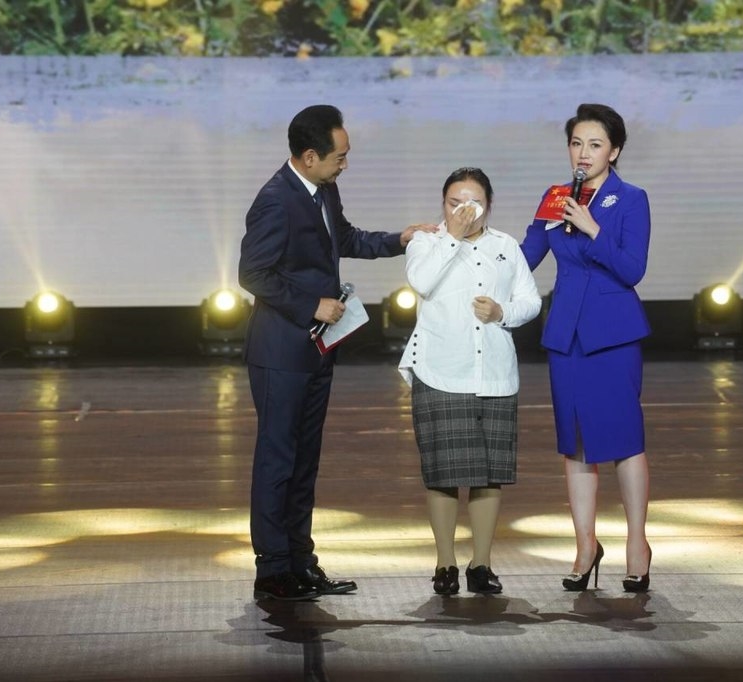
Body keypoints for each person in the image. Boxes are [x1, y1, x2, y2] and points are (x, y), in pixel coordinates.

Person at [239, 104, 435, 601]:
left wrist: (400, 239)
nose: (344, 165)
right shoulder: (274, 200)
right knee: (278, 458)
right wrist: (312, 304)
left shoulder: (322, 189)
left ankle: (302, 561)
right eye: (338, 157)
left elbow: (342, 237)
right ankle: (273, 567)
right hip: (281, 349)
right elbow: (253, 274)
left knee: (305, 460)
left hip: (317, 349)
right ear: (309, 156)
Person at [519, 103, 653, 593]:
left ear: (614, 150)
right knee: (574, 446)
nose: (583, 153)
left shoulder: (630, 199)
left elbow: (632, 269)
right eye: (576, 143)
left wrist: (593, 228)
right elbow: (523, 258)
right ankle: (585, 546)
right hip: (566, 334)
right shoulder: (555, 199)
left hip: (613, 334)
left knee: (624, 442)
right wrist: (472, 250)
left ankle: (636, 544)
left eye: (595, 144)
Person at [398, 167, 541, 595]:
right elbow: (421, 281)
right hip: (442, 368)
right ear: (443, 205)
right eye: (453, 202)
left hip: (494, 373)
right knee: (442, 473)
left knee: (488, 474)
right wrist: (452, 237)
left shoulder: (505, 246)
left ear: (488, 205)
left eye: (472, 202)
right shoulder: (427, 242)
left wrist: (502, 313)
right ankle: (445, 564)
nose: (463, 210)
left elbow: (530, 300)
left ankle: (481, 564)